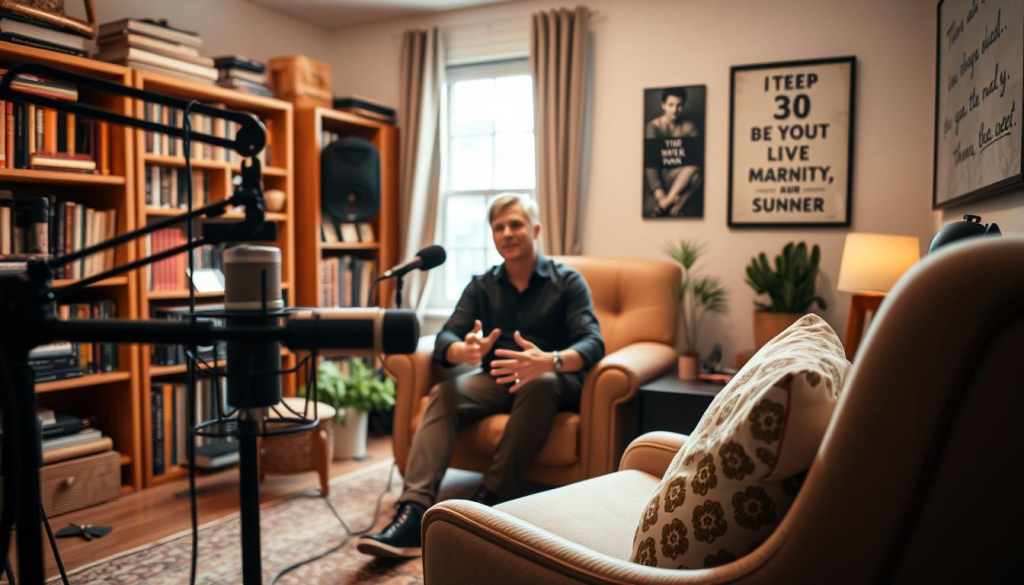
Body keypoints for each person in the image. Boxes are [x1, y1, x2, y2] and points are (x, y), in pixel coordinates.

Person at [357, 193, 605, 558]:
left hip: (553, 378)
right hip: (497, 379)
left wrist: (549, 360)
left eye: (516, 224)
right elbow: (448, 337)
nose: (507, 233)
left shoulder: (567, 282)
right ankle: (412, 511)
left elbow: (593, 342)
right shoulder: (481, 285)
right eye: (499, 227)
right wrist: (465, 351)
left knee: (542, 384)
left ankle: (490, 497)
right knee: (446, 394)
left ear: (535, 229)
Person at [644, 87, 703, 216]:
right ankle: (670, 203)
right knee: (694, 172)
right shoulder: (653, 127)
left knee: (697, 173)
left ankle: (671, 206)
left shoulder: (689, 126)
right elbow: (651, 164)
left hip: (683, 173)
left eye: (679, 105)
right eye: (671, 105)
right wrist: (659, 194)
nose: (675, 110)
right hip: (663, 176)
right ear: (663, 105)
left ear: (684, 105)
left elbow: (697, 158)